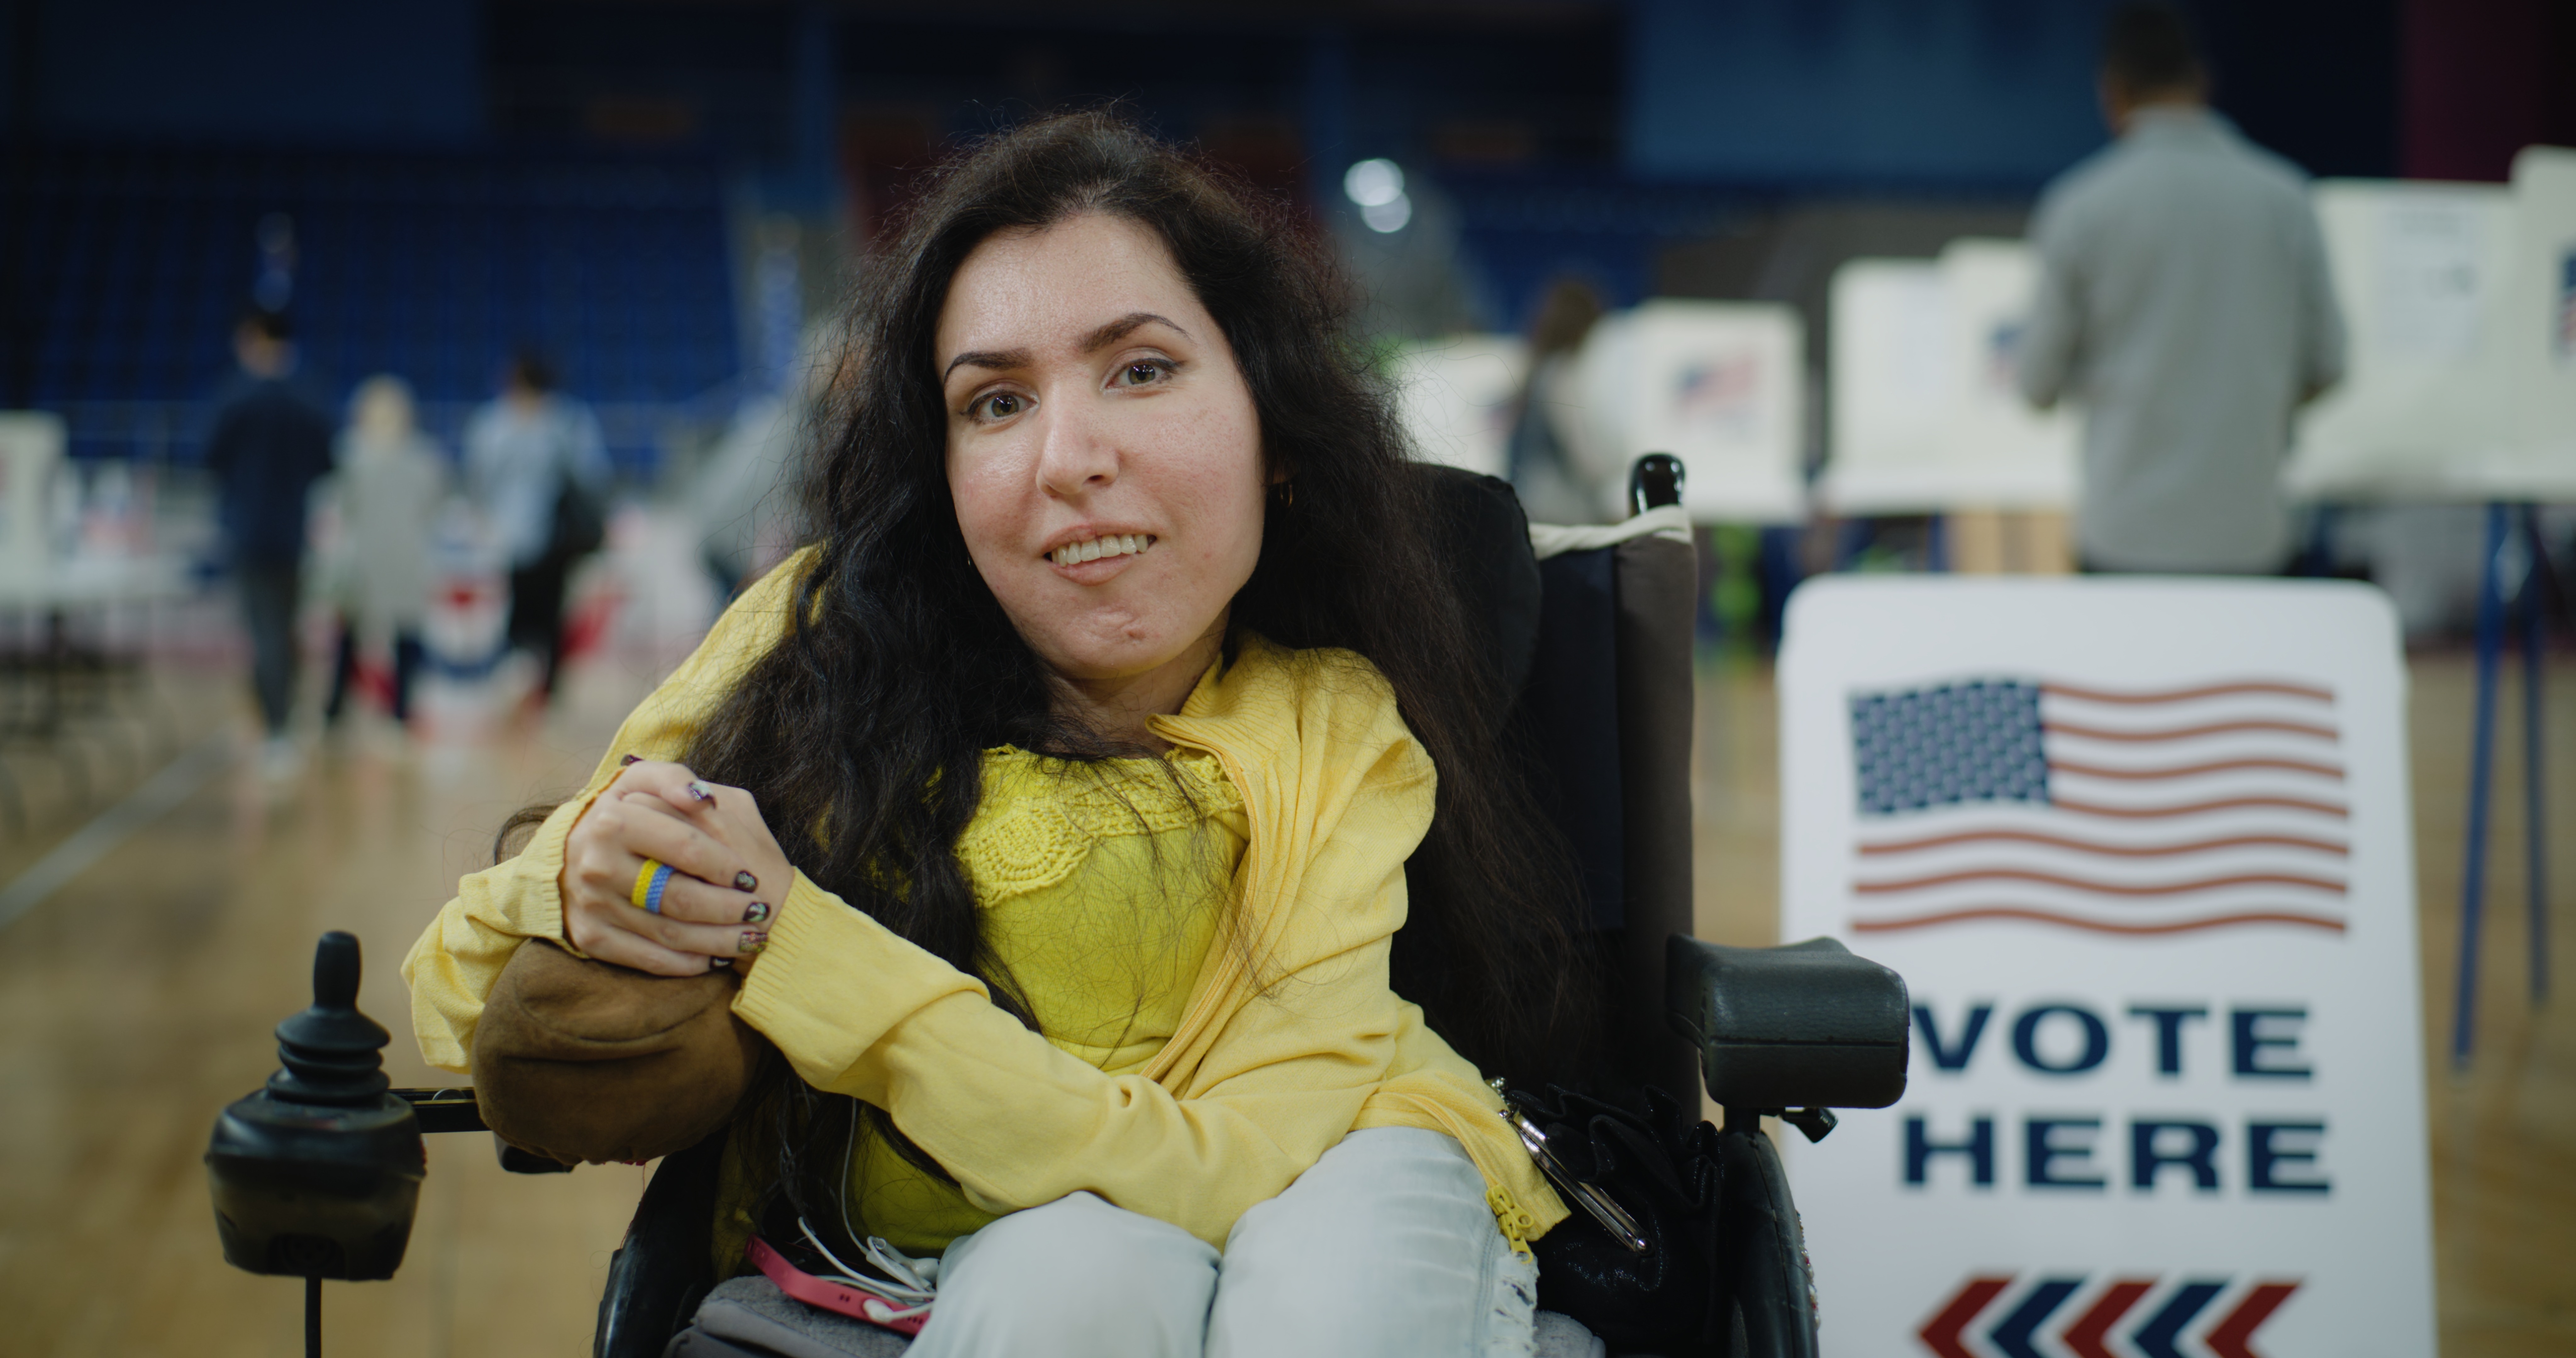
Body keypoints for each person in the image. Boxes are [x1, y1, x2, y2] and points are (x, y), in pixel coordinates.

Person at [403, 112, 1594, 1357]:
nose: (1067, 459)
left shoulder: (1335, 730)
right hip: (995, 1242)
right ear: (943, 468)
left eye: (1139, 369)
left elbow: (1244, 1169)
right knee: (1064, 1277)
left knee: (1329, 1300)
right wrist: (588, 874)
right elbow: (455, 982)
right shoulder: (818, 645)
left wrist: (791, 942)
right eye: (996, 401)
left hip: (1340, 1166)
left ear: (1273, 429)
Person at [2017, 2, 2346, 574]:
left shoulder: (2080, 208)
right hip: (2251, 536)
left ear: (2111, 92)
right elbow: (2329, 364)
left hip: (2124, 536)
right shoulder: (2286, 200)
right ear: (2202, 81)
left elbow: (2037, 382)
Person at [203, 308, 335, 777]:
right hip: (294, 532)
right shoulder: (308, 396)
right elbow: (327, 460)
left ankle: (277, 730)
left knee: (264, 634)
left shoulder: (237, 396)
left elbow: (211, 456)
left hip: (249, 533)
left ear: (253, 337)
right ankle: (288, 721)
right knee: (288, 629)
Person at [463, 351, 609, 698]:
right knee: (543, 618)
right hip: (544, 540)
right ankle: (539, 690)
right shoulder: (567, 421)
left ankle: (523, 687)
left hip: (519, 540)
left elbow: (477, 482)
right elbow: (593, 477)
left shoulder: (493, 425)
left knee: (521, 618)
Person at [322, 375, 448, 728]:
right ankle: (400, 712)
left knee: (351, 638)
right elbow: (432, 506)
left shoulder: (350, 453)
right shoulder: (425, 457)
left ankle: (335, 710)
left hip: (364, 557)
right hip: (407, 556)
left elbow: (344, 506)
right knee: (404, 640)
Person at [1503, 276, 1609, 526]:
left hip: (1528, 502)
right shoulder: (1561, 375)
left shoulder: (1535, 371)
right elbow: (1581, 454)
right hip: (1561, 512)